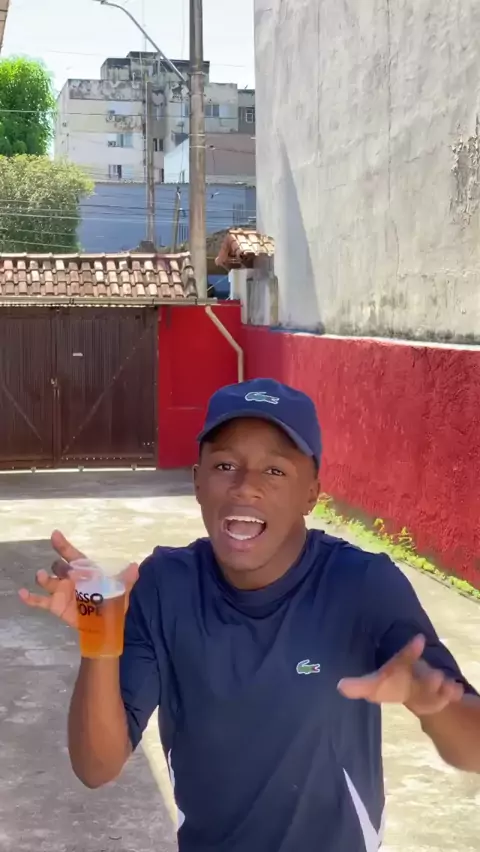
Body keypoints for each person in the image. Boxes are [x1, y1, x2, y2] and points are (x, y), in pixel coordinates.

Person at [20, 378, 480, 852]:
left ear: (311, 494)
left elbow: (473, 747)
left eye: (275, 470)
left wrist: (434, 707)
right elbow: (97, 767)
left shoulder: (362, 585)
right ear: (197, 482)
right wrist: (100, 635)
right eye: (225, 465)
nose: (245, 487)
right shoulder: (165, 586)